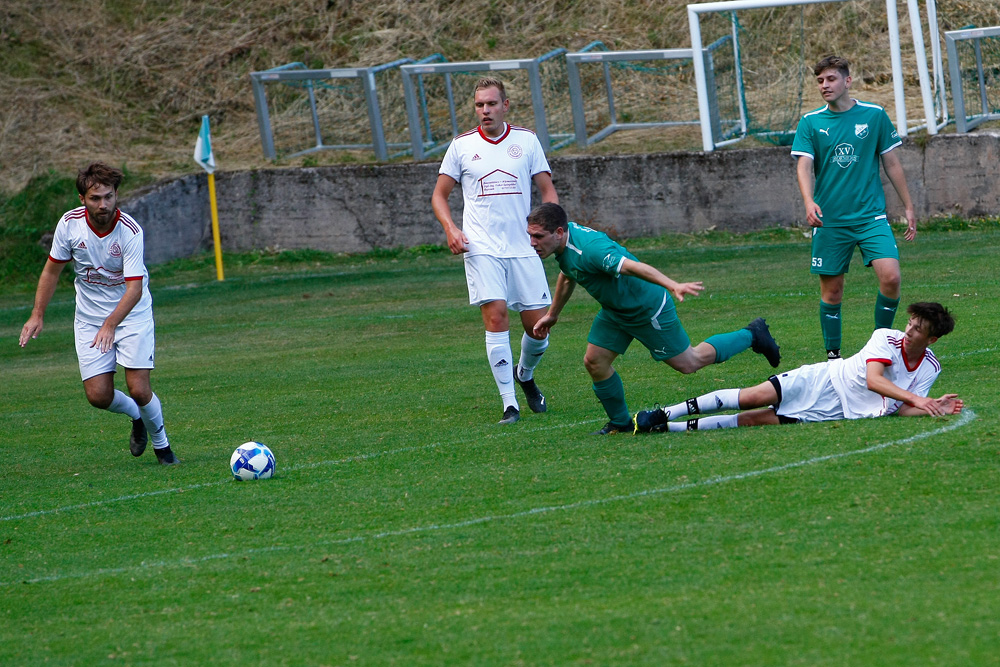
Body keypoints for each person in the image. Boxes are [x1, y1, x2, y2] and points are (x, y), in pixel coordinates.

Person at [526, 202, 782, 434]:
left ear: (559, 232)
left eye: (538, 236)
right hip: (616, 311)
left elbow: (633, 266)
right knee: (594, 361)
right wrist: (552, 315)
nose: (533, 242)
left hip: (646, 309)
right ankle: (621, 423)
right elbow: (568, 275)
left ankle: (753, 334)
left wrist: (672, 284)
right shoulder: (564, 247)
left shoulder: (591, 250)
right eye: (530, 235)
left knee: (689, 362)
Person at [19, 162, 178, 465]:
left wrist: (111, 324)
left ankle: (164, 449)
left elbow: (134, 290)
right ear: (82, 199)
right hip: (90, 318)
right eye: (95, 198)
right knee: (98, 396)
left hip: (131, 315)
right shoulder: (69, 225)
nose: (102, 204)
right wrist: (37, 314)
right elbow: (51, 272)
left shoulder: (130, 231)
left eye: (108, 196)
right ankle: (136, 418)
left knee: (139, 388)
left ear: (117, 194)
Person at [431, 77, 559, 425]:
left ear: (505, 105)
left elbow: (548, 193)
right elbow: (439, 196)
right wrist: (451, 229)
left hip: (523, 247)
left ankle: (526, 375)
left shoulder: (526, 141)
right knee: (496, 316)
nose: (484, 110)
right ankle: (509, 404)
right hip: (481, 247)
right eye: (479, 105)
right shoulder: (461, 146)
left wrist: (547, 232)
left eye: (490, 104)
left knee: (539, 330)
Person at [633, 302, 960, 433]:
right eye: (910, 322)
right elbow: (874, 380)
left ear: (931, 340)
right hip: (824, 379)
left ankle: (667, 429)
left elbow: (903, 411)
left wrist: (934, 408)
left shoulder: (929, 368)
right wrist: (917, 400)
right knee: (751, 397)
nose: (909, 330)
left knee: (754, 420)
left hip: (838, 412)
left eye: (917, 329)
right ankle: (667, 413)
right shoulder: (885, 338)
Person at [791, 55, 918, 361]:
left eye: (831, 79)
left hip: (870, 216)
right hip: (830, 221)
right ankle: (833, 357)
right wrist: (809, 202)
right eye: (820, 81)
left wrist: (909, 207)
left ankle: (881, 346)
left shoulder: (874, 116)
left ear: (847, 81)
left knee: (891, 277)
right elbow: (804, 165)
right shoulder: (811, 122)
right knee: (832, 293)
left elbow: (892, 163)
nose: (825, 85)